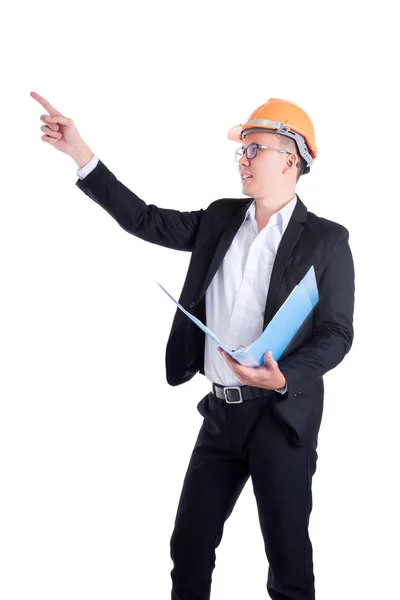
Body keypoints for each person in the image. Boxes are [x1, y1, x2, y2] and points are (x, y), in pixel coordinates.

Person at [31, 91, 355, 600]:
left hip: (280, 417)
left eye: (255, 149)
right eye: (240, 151)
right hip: (221, 417)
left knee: (288, 560)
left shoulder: (328, 241)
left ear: (292, 158)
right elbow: (144, 219)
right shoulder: (221, 218)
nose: (243, 159)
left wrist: (284, 374)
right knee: (189, 546)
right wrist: (80, 154)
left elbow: (337, 334)